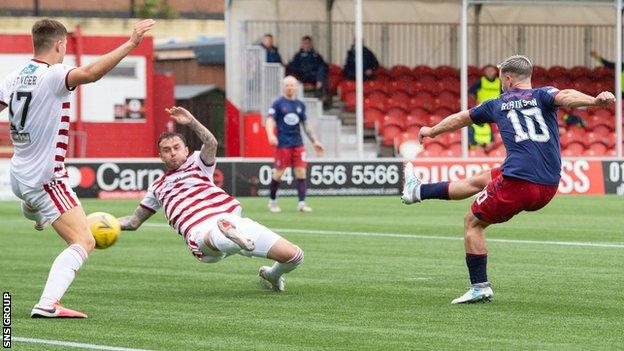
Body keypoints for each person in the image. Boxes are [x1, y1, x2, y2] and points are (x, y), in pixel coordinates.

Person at [401, 55, 615, 304]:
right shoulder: (543, 95)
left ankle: (479, 286)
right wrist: (595, 101)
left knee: (472, 223)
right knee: (481, 179)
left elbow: (461, 118)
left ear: (509, 79)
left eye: (503, 78)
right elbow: (565, 96)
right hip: (547, 186)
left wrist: (432, 130)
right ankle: (416, 191)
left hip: (518, 183)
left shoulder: (497, 103)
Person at [0, 18, 154, 318]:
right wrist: (131, 43)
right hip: (45, 178)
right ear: (60, 45)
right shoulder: (55, 74)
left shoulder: (14, 76)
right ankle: (48, 304)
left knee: (34, 202)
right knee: (84, 240)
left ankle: (36, 211)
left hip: (18, 172)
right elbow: (91, 73)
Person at [117, 106, 304, 292]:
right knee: (214, 235)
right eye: (166, 150)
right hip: (198, 229)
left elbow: (211, 142)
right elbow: (133, 222)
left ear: (186, 150)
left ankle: (272, 275)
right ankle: (230, 236)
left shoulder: (198, 163)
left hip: (230, 219)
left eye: (176, 148)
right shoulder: (157, 187)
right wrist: (92, 224)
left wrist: (191, 121)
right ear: (160, 156)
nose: (172, 153)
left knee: (294, 255)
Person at [265, 76, 325, 213]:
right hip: (283, 144)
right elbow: (269, 120)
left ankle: (302, 203)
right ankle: (272, 201)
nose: (290, 87)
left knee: (301, 172)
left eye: (292, 85)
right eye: (288, 85)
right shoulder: (278, 104)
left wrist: (315, 141)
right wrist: (270, 135)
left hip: (298, 144)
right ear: (284, 87)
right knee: (278, 173)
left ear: (296, 87)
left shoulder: (300, 104)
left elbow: (306, 124)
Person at [287, 36, 328, 100]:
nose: (306, 45)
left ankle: (323, 96)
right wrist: (302, 69)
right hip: (302, 75)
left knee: (322, 70)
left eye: (308, 43)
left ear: (311, 44)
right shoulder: (298, 55)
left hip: (314, 75)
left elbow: (323, 65)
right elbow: (293, 66)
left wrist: (318, 75)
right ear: (302, 44)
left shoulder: (316, 55)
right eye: (305, 43)